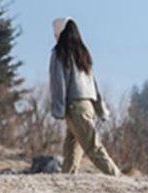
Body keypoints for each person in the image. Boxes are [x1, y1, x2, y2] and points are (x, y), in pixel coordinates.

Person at [49, 17, 121, 175]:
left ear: (59, 32)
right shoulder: (82, 53)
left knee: (92, 146)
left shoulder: (60, 53)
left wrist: (58, 110)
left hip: (74, 106)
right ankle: (67, 178)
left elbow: (58, 83)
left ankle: (116, 176)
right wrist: (100, 108)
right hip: (88, 105)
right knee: (72, 146)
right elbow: (93, 84)